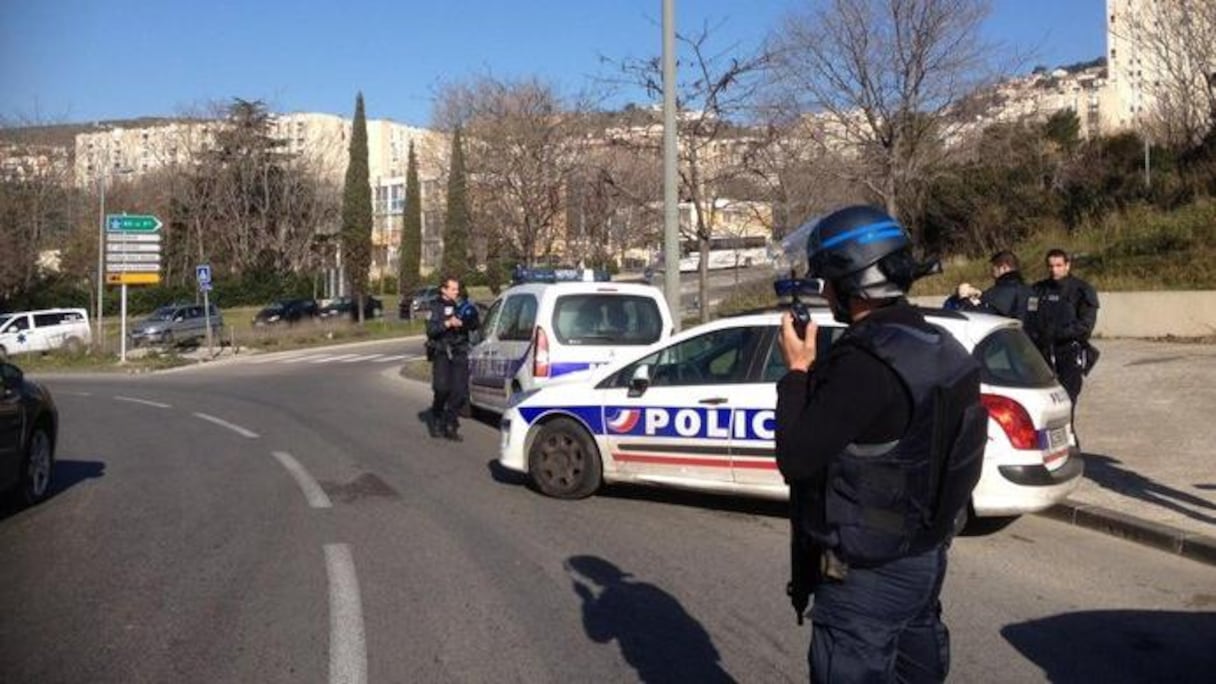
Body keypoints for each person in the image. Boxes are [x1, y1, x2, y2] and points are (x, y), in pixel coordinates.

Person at [775, 205, 987, 683]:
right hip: (923, 558)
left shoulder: (863, 364)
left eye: (828, 279)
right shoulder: (941, 345)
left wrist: (797, 372)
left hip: (867, 576)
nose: (824, 291)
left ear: (853, 280)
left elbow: (795, 458)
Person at [1025, 249, 1100, 438]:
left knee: (1067, 403)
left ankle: (1068, 442)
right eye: (1050, 266)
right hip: (1042, 354)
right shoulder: (1038, 289)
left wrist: (1058, 333)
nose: (1054, 270)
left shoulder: (1081, 290)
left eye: (1059, 266)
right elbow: (1028, 317)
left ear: (1067, 265)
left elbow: (1085, 326)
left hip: (1068, 354)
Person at [426, 275, 478, 441]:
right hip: (442, 352)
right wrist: (448, 323)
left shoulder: (463, 305)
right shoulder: (435, 307)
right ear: (444, 290)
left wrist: (467, 322)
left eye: (457, 289)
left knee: (459, 391)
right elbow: (431, 330)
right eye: (453, 289)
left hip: (460, 351)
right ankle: (437, 416)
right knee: (442, 389)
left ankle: (450, 423)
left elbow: (475, 324)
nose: (457, 292)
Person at [980, 250, 1033, 320]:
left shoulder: (998, 293)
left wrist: (965, 300)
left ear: (1004, 268)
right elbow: (1033, 313)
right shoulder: (1030, 290)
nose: (992, 270)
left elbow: (982, 315)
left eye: (994, 266)